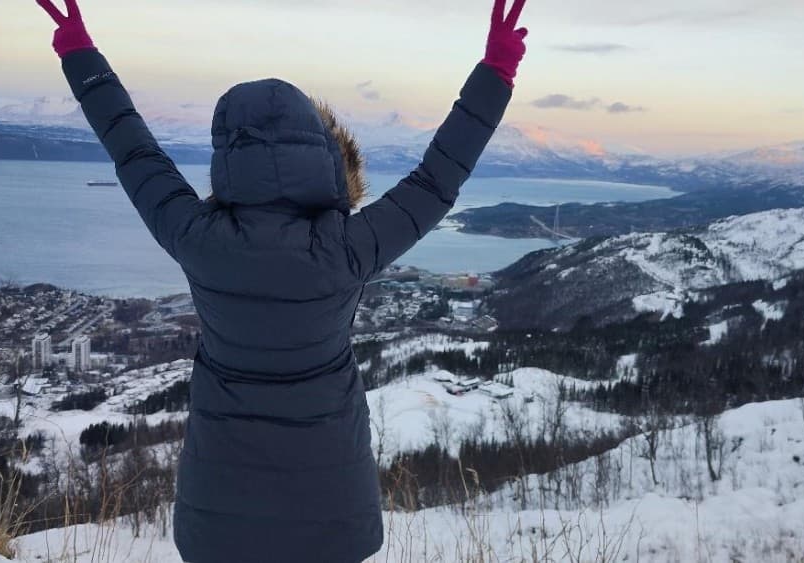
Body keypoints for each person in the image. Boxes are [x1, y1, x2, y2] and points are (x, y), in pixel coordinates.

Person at [34, 0, 529, 561]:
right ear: (325, 158)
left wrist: (82, 56)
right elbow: (438, 177)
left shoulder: (199, 238)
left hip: (221, 502)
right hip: (332, 502)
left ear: (226, 159)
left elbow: (133, 150)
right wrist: (495, 72)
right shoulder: (345, 249)